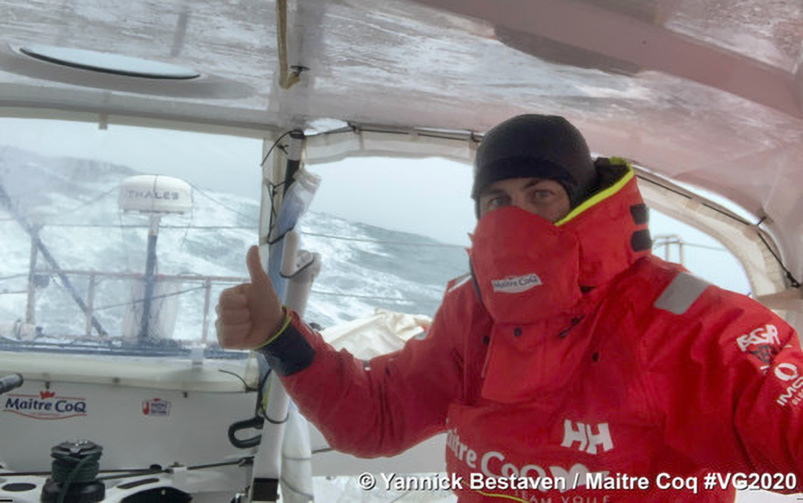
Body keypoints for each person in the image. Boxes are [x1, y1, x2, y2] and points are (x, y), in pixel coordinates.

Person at [216, 115, 803, 502]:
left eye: (540, 195)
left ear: (584, 201)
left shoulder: (691, 326)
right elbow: (378, 418)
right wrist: (279, 335)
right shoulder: (471, 314)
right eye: (498, 200)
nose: (516, 218)